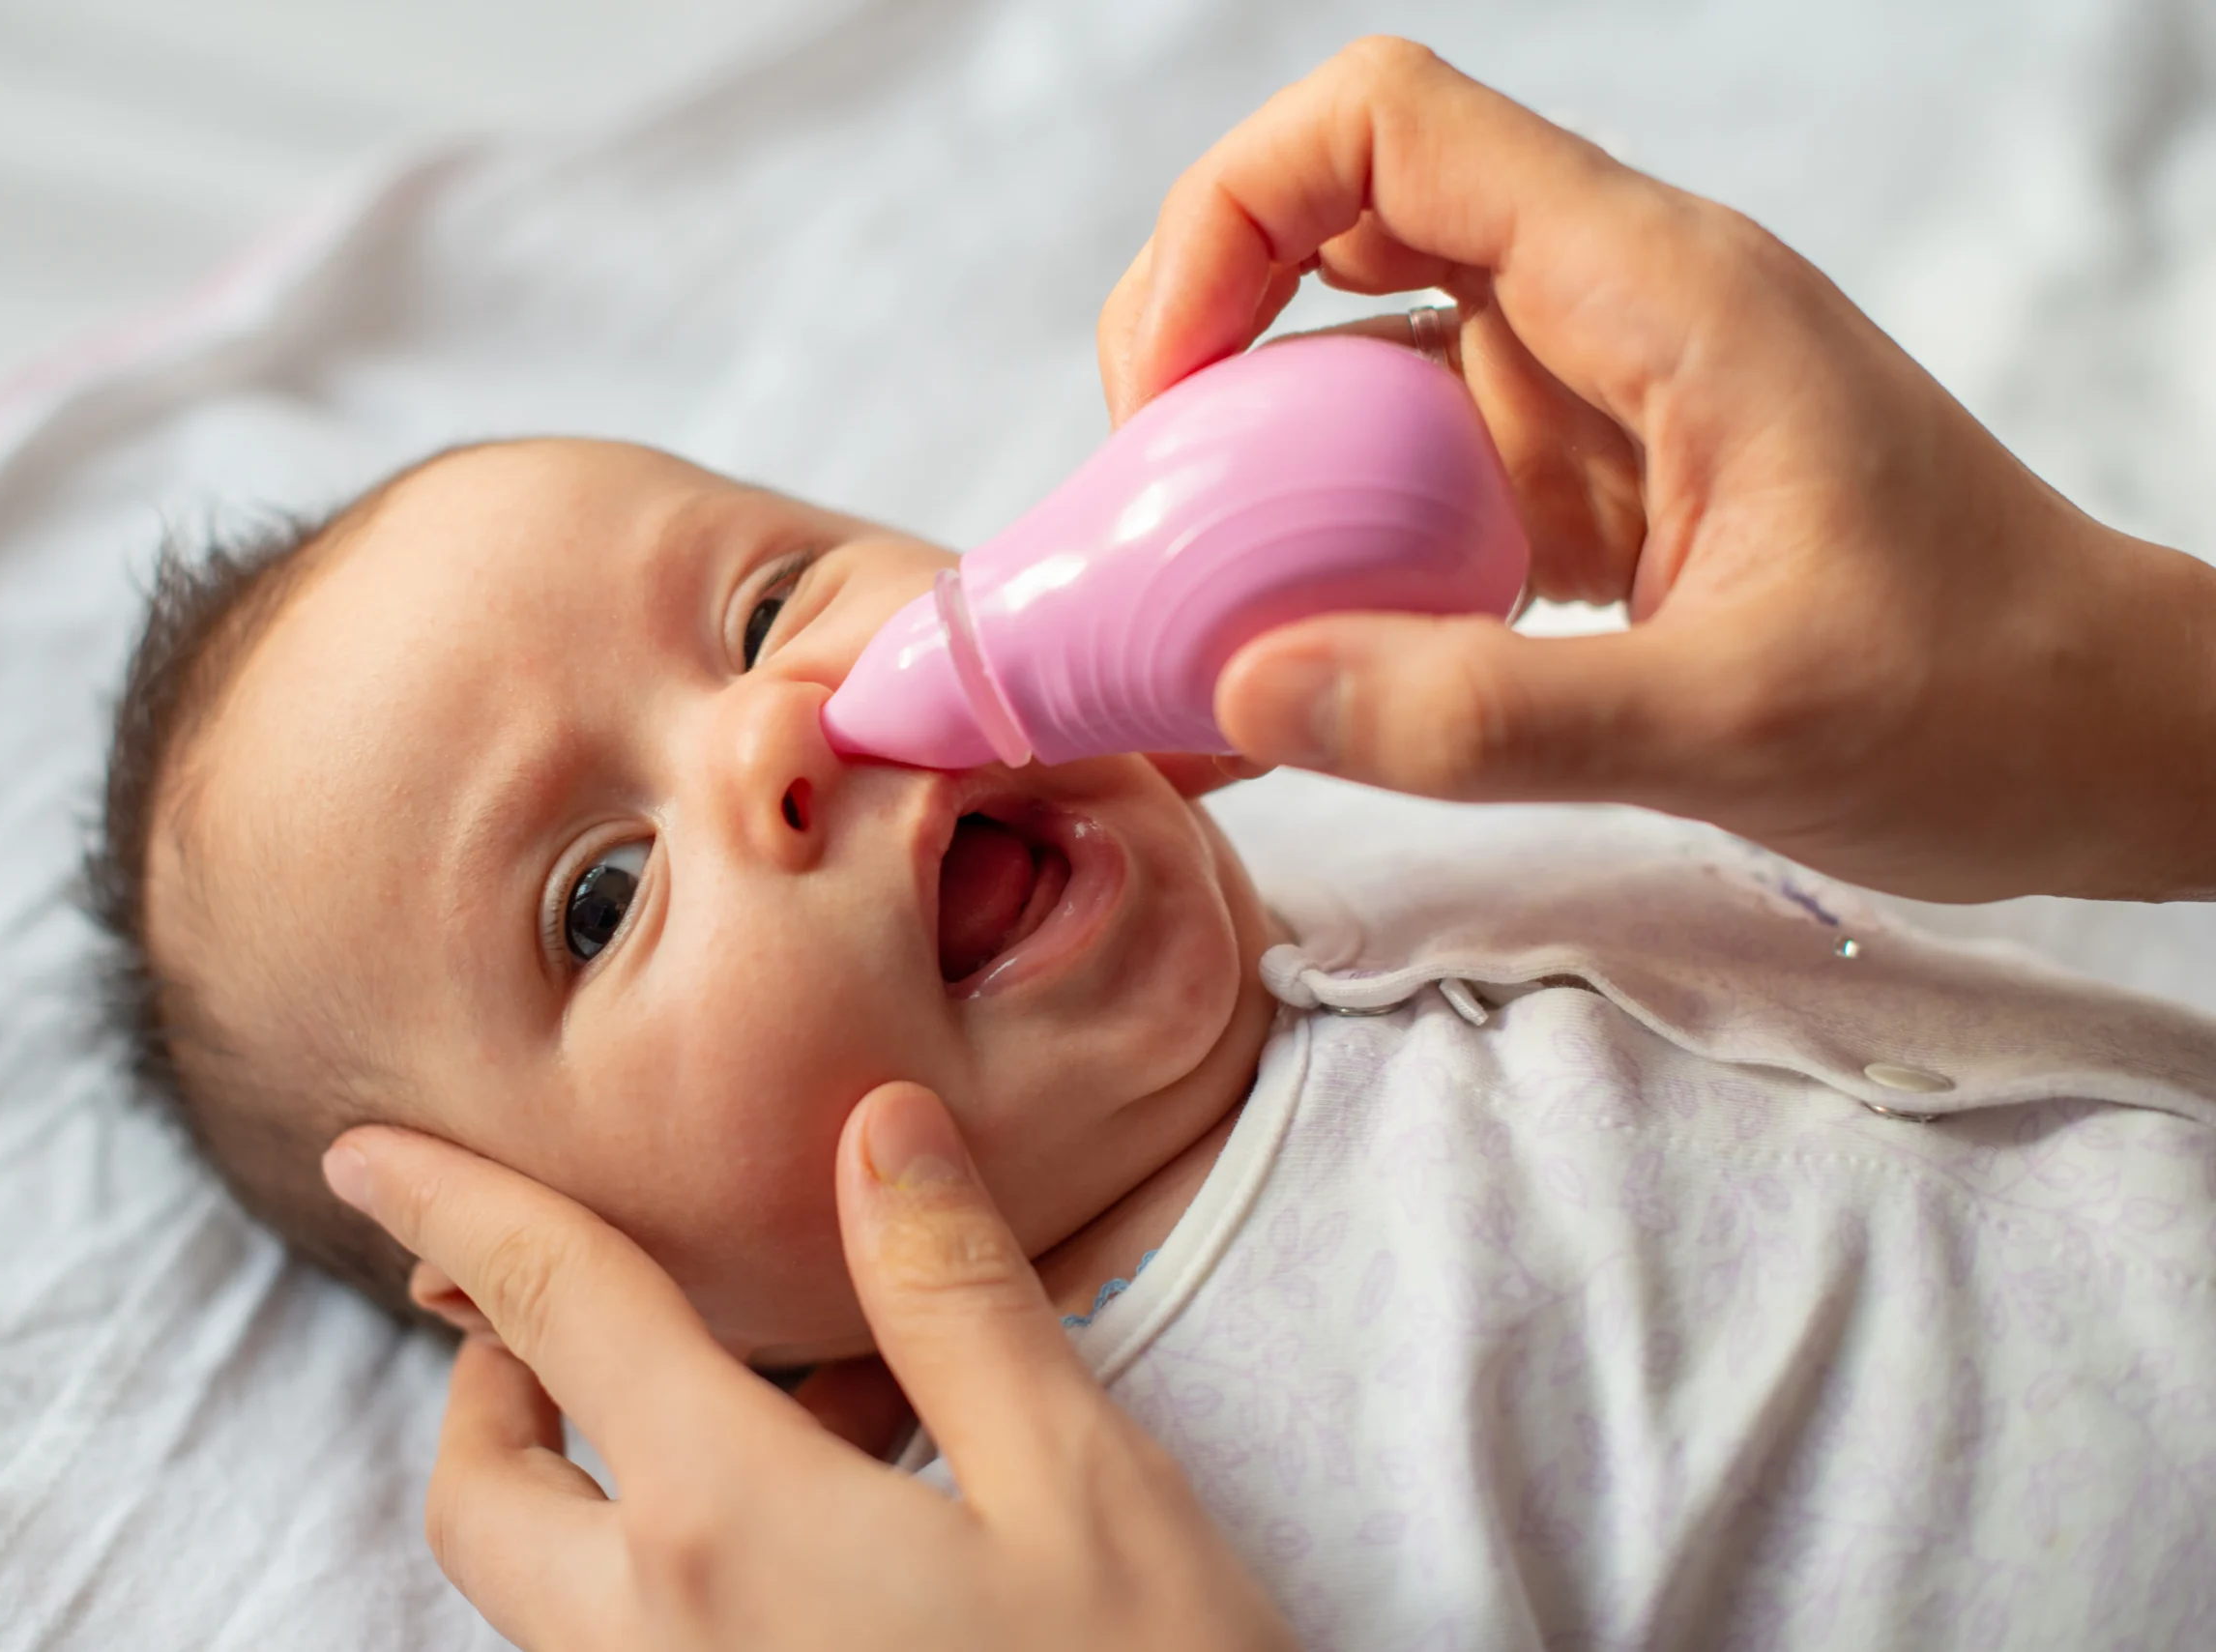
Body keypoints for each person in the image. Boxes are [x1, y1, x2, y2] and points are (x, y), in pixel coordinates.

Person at [132, 34, 2216, 1651]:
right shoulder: (1057, 1545)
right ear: (563, 1285)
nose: (776, 725)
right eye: (598, 894)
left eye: (762, 606)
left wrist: (2125, 690)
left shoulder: (1436, 809)